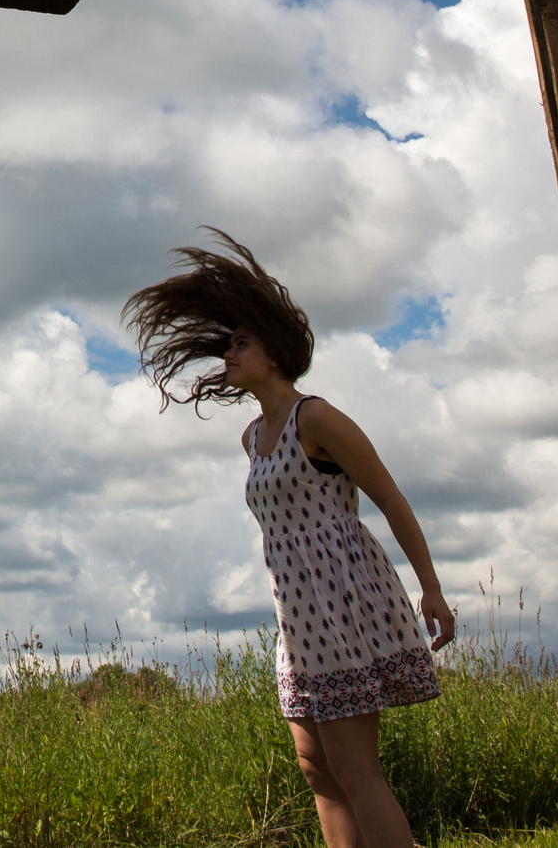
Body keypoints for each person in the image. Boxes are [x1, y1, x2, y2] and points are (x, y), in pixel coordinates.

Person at [124, 231, 454, 848]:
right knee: (317, 769)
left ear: (273, 352)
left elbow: (390, 498)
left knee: (356, 770)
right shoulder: (251, 438)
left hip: (344, 602)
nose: (228, 353)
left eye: (240, 343)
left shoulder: (318, 418)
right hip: (297, 615)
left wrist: (430, 588)